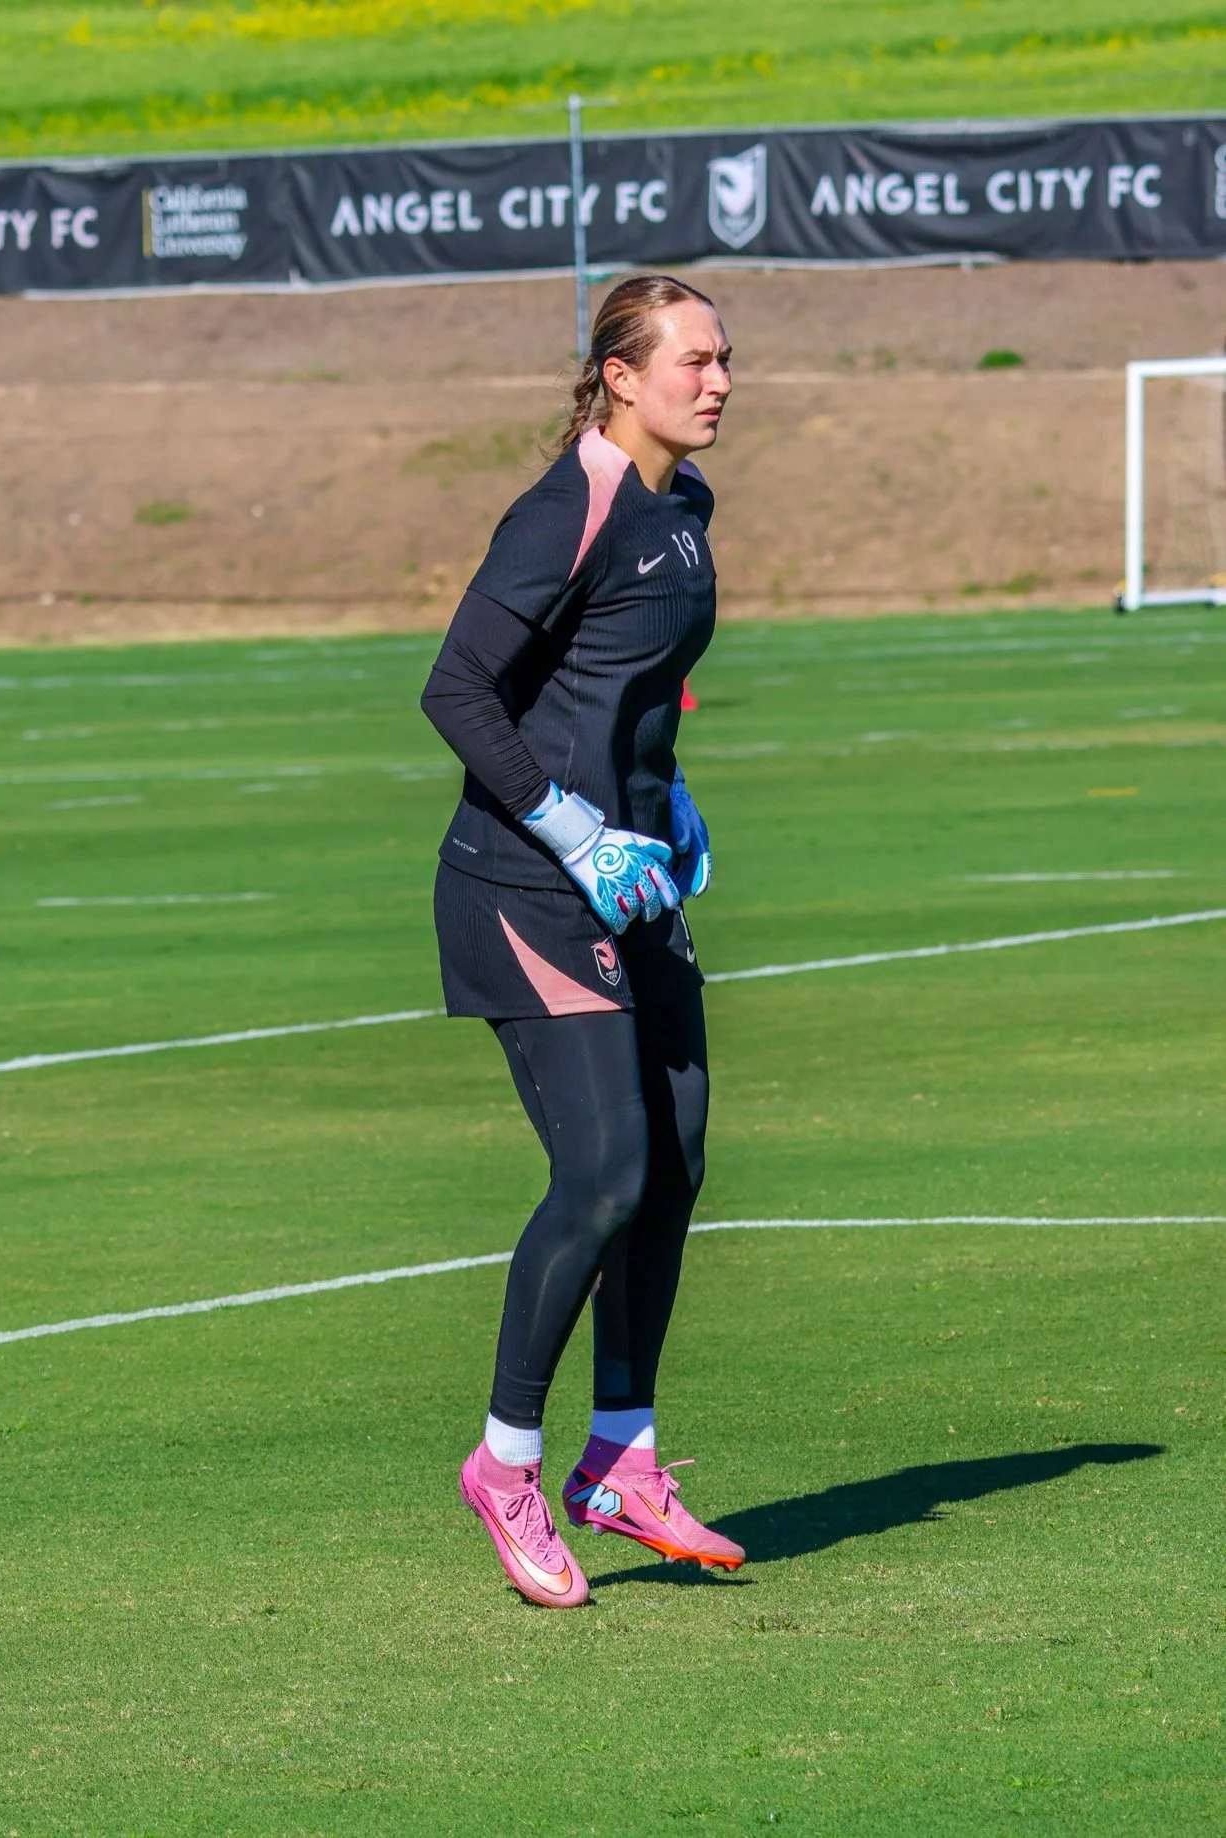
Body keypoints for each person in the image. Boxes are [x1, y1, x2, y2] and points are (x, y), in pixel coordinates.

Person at [420, 272, 744, 1609]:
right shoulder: (573, 504)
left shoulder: (687, 509)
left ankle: (622, 1457)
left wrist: (668, 800)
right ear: (620, 373)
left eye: (727, 360)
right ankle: (505, 1464)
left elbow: (635, 681)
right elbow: (456, 689)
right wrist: (571, 820)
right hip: (526, 882)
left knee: (674, 1152)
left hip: (636, 876)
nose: (719, 381)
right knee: (604, 1170)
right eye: (694, 361)